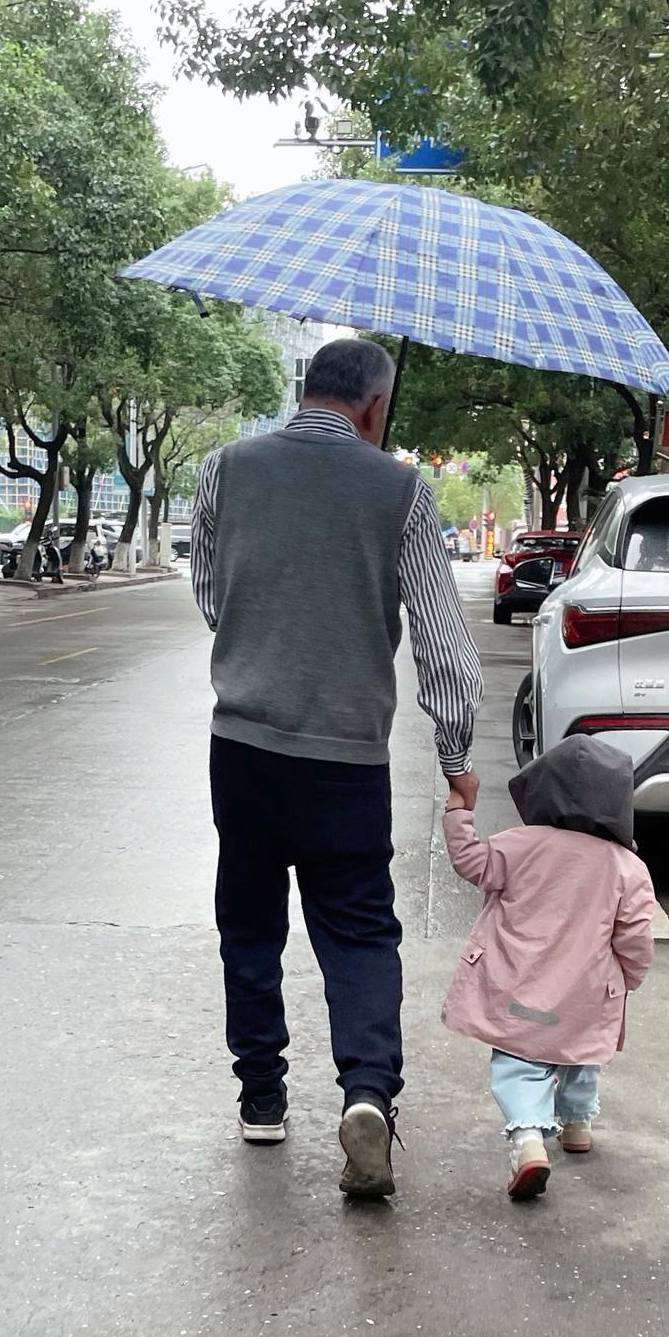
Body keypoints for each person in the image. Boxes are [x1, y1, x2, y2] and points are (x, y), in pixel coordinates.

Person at [191, 338, 483, 1197]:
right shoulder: (399, 489)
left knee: (248, 920)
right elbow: (445, 649)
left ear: (305, 389)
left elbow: (212, 594)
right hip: (346, 759)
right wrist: (456, 757)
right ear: (375, 405)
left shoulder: (225, 467)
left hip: (242, 747)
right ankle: (366, 1094)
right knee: (358, 931)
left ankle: (262, 1098)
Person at [440, 736, 655, 1200]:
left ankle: (529, 1141)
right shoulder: (627, 867)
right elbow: (636, 935)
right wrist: (630, 977)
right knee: (581, 1052)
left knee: (519, 1060)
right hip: (586, 993)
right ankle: (576, 1125)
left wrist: (459, 812)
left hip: (519, 984)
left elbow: (470, 862)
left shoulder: (520, 845)